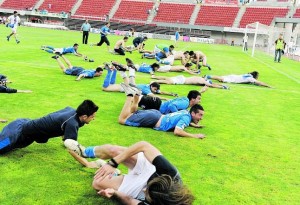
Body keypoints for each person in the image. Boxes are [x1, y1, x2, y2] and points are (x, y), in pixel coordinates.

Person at [68, 141, 195, 205]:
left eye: (147, 194)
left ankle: (114, 173)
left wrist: (114, 193)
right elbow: (144, 145)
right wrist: (113, 162)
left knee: (97, 183)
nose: (145, 191)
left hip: (140, 187)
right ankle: (85, 152)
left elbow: (130, 201)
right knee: (113, 150)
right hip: (149, 170)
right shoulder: (171, 173)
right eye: (147, 190)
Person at [0, 100, 98, 154]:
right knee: (1, 147)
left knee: (14, 146)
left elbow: (61, 124)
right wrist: (87, 163)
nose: (94, 118)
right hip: (17, 132)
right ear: (84, 116)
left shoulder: (72, 111)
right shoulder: (72, 123)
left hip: (26, 127)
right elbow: (72, 147)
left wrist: (65, 136)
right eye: (93, 116)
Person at [117, 88, 205, 138]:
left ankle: (136, 96)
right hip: (154, 118)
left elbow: (178, 118)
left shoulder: (186, 112)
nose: (201, 118)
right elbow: (177, 131)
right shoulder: (186, 116)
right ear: (193, 113)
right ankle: (129, 96)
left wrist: (192, 124)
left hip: (156, 114)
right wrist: (195, 136)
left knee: (133, 113)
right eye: (200, 115)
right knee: (122, 120)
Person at [102, 62, 176, 100]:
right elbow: (154, 96)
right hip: (130, 88)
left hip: (133, 86)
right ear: (152, 86)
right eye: (155, 89)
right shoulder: (147, 90)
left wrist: (171, 93)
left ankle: (116, 70)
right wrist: (166, 98)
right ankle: (114, 71)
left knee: (112, 84)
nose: (155, 91)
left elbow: (160, 92)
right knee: (105, 88)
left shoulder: (150, 87)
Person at [151, 74, 229, 89]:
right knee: (169, 81)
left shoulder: (201, 79)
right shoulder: (202, 82)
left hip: (183, 77)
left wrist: (220, 85)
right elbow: (212, 85)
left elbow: (212, 83)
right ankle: (152, 82)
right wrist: (222, 87)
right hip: (182, 80)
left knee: (167, 78)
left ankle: (154, 77)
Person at [204, 71, 271, 88]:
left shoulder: (248, 75)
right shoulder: (250, 78)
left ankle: (208, 77)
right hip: (234, 79)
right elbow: (259, 82)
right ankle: (208, 76)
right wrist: (268, 85)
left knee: (220, 79)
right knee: (221, 78)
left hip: (234, 76)